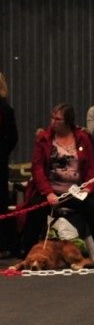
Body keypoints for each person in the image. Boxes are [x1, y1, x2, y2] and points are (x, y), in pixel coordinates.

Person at [21, 103, 94, 253]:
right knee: (34, 209)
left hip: (76, 191)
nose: (53, 122)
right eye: (52, 118)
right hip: (51, 191)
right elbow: (37, 168)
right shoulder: (44, 138)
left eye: (58, 119)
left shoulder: (83, 138)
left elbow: (91, 167)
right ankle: (26, 252)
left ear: (68, 121)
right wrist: (48, 192)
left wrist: (88, 189)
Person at [0, 72, 18, 257]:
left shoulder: (5, 109)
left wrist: (2, 153)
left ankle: (5, 245)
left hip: (0, 164)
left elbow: (12, 137)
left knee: (1, 203)